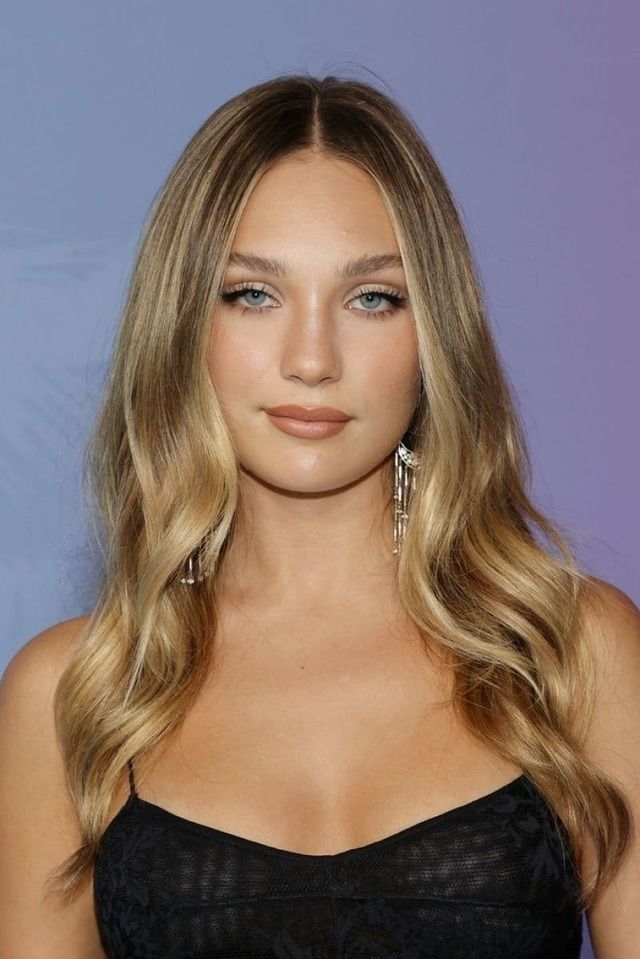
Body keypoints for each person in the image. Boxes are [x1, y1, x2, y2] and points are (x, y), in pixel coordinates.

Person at [0, 72, 638, 958]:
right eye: (252, 294)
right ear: (182, 326)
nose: (311, 358)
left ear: (434, 338)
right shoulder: (75, 695)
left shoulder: (574, 653)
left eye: (372, 297)